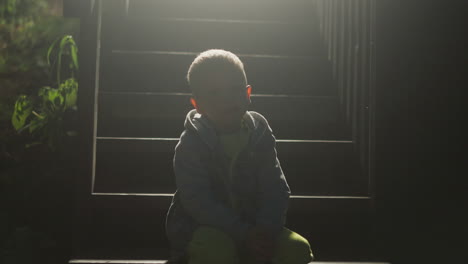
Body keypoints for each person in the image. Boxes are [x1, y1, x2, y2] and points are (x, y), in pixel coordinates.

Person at [165, 49, 314, 264]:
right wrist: (242, 233)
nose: (227, 98)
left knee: (298, 249)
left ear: (248, 93)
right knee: (214, 251)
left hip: (257, 226)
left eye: (235, 89)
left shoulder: (259, 135)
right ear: (197, 104)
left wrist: (265, 230)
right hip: (207, 227)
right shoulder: (191, 143)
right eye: (214, 92)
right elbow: (197, 200)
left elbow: (276, 187)